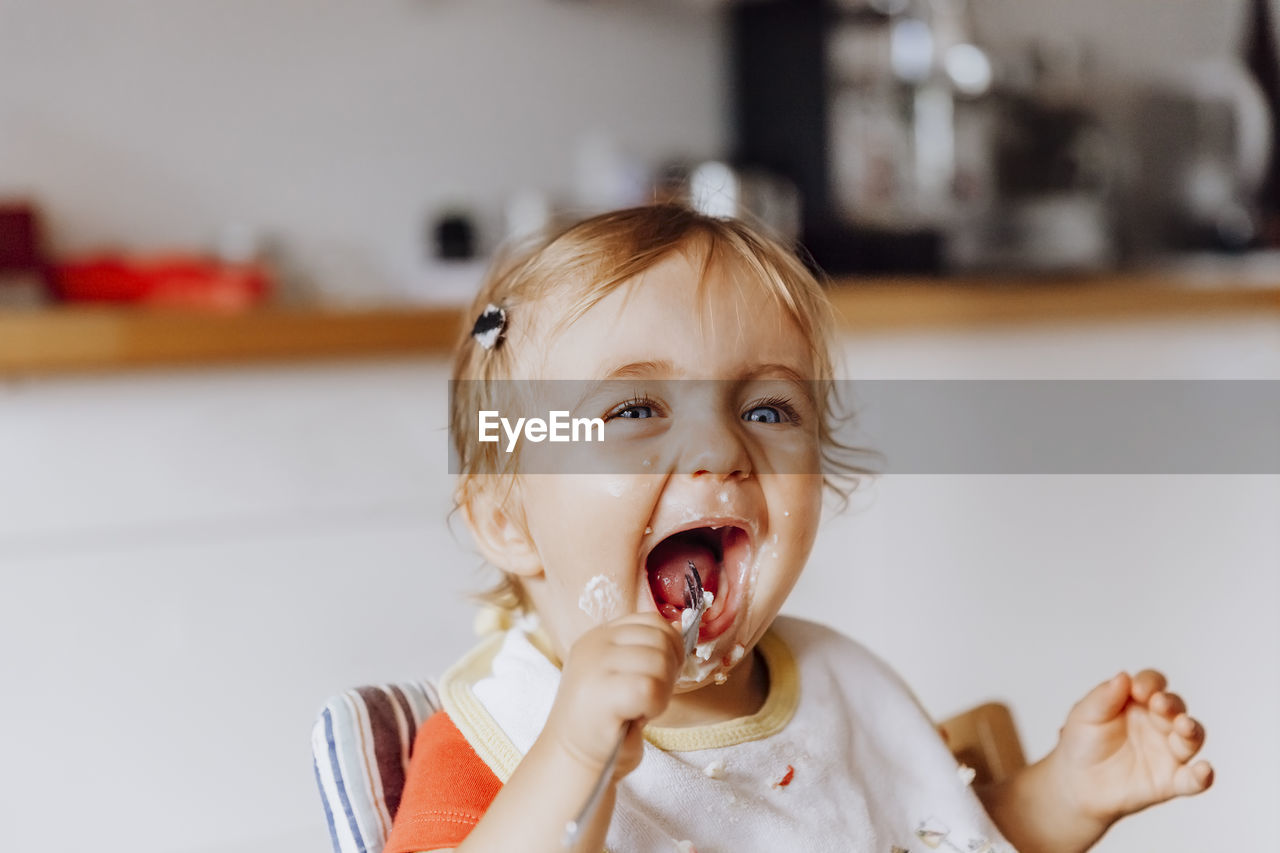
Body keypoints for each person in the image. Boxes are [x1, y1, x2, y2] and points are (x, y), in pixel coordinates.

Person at [384, 205, 1213, 853]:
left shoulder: (841, 692)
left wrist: (1063, 798)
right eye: (636, 409)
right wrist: (571, 757)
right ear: (505, 515)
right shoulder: (498, 731)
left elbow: (918, 833)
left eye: (767, 408)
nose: (720, 446)